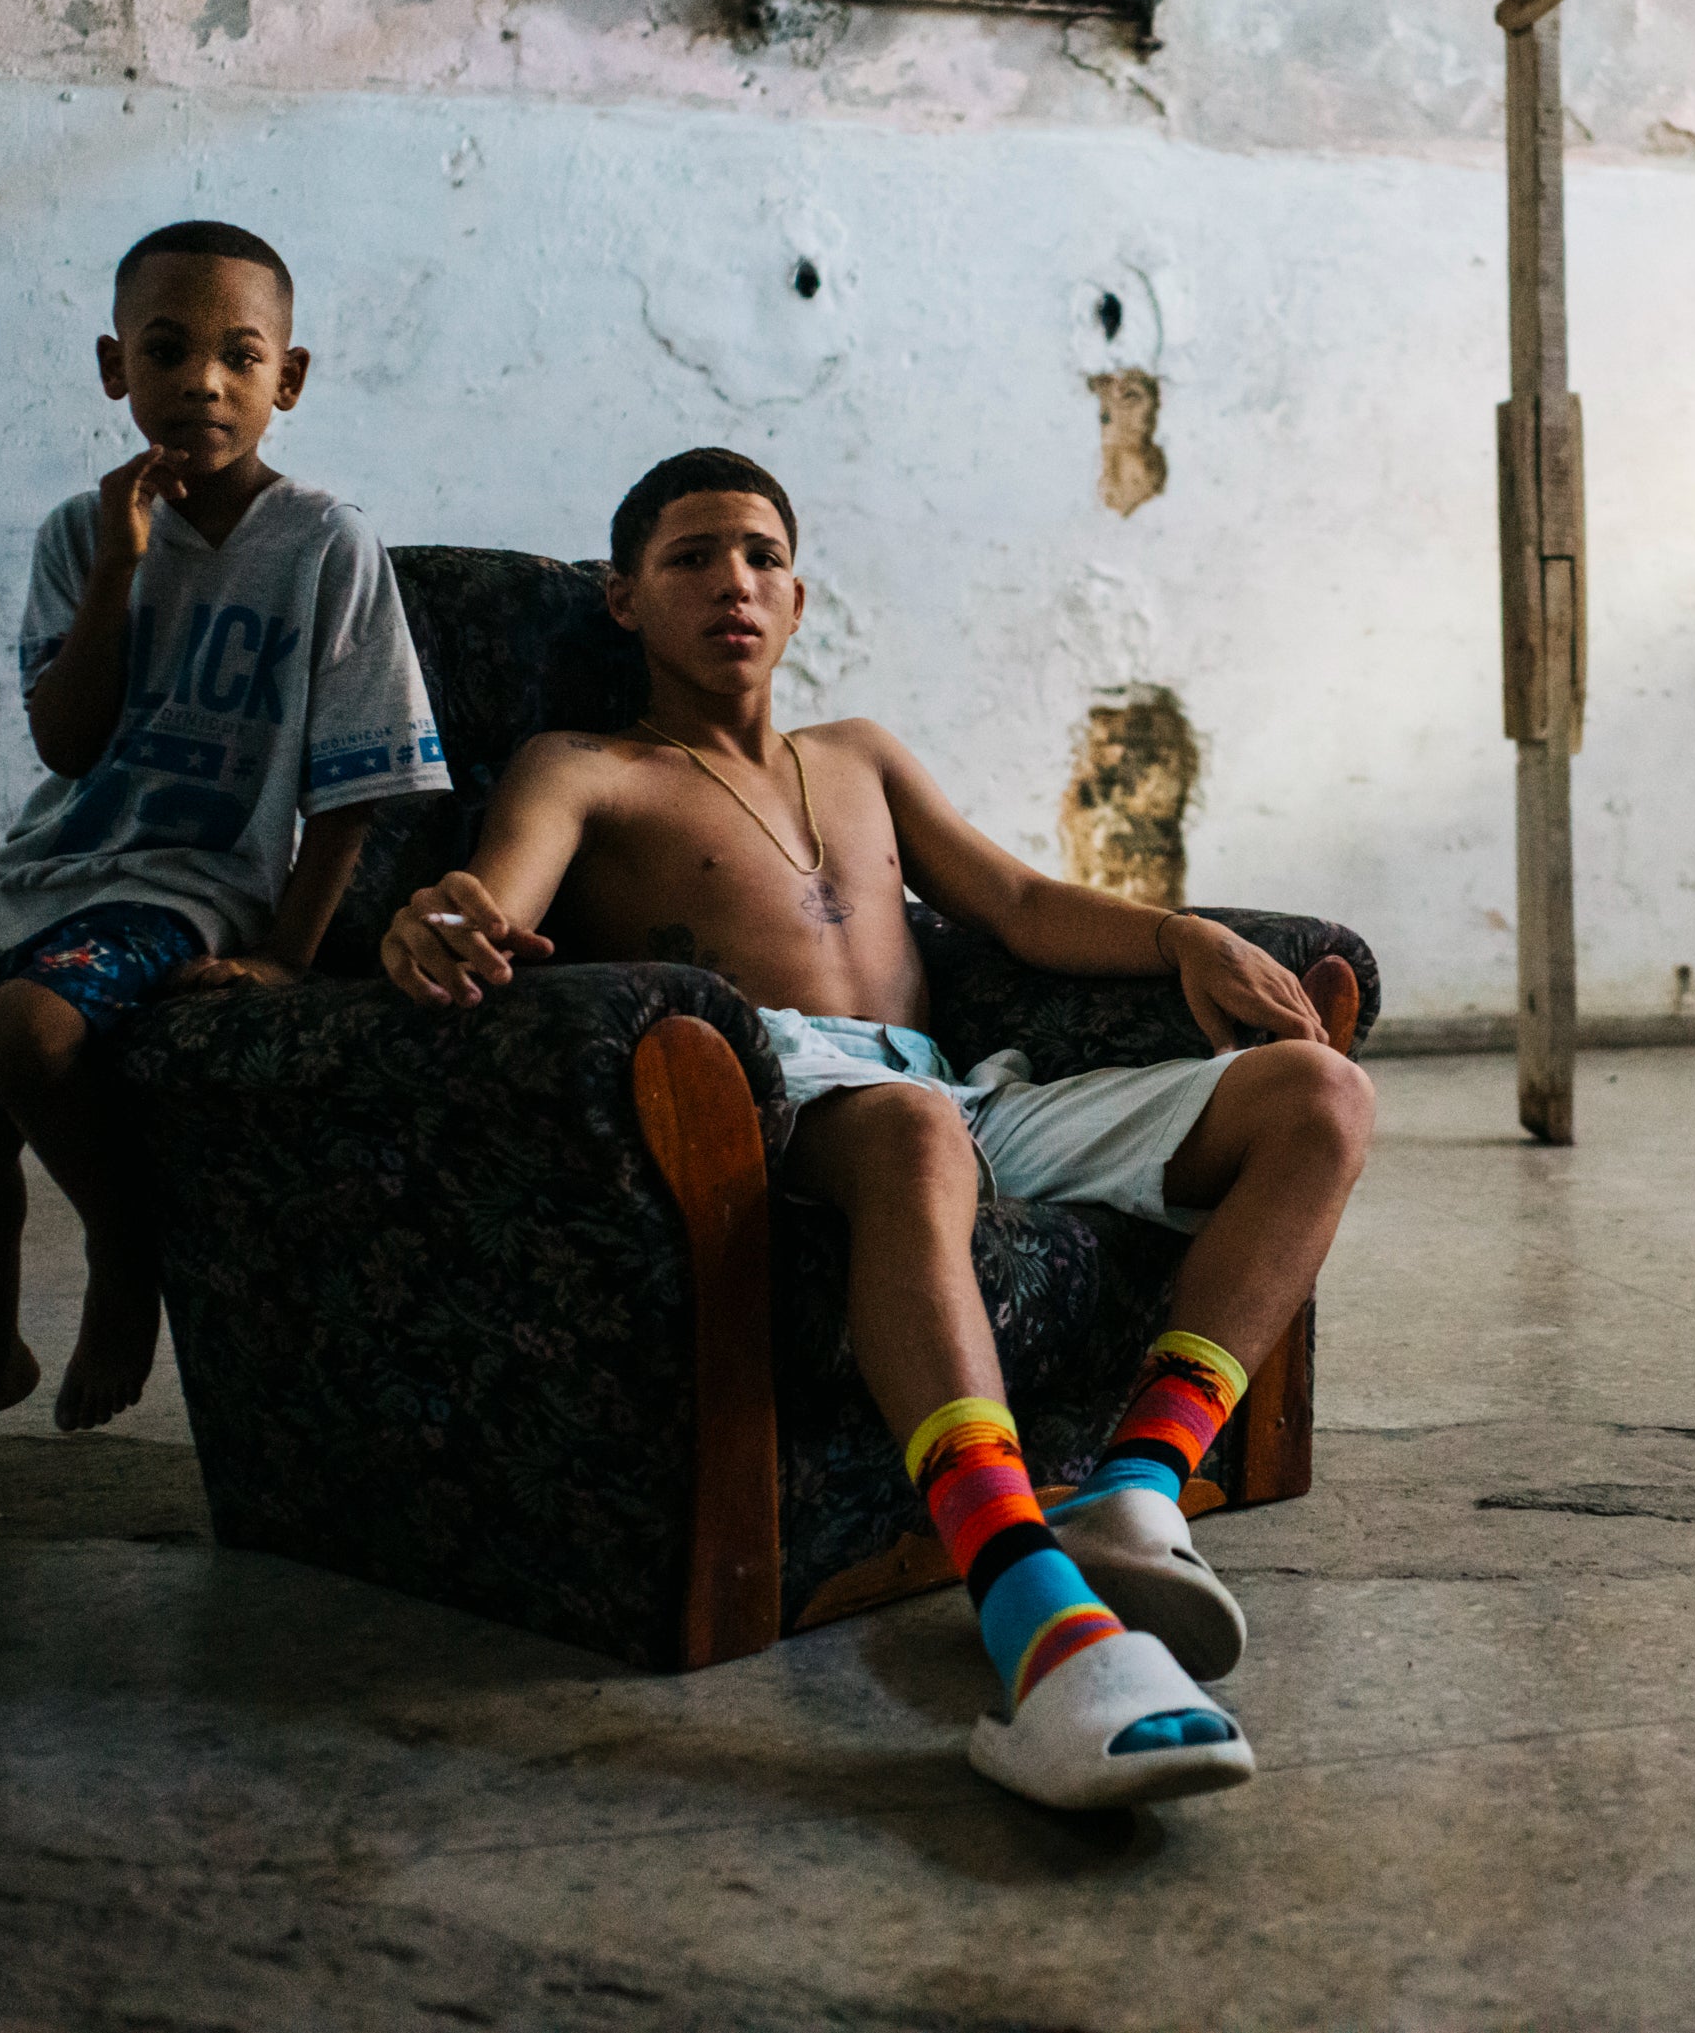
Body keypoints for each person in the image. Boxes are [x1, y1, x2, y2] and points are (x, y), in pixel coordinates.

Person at [378, 449, 1375, 1811]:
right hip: (785, 1102)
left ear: (796, 600)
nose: (733, 581)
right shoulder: (584, 768)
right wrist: (446, 924)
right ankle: (1040, 1620)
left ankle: (1137, 1486)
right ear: (623, 599)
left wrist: (1181, 934)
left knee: (1321, 1095)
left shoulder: (859, 758)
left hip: (969, 1090)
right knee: (913, 1132)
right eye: (689, 558)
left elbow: (1017, 905)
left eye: (761, 556)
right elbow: (493, 900)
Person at [0, 221, 451, 1488]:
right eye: (166, 349)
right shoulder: (74, 535)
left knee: (19, 1037)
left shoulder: (323, 543)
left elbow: (355, 788)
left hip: (192, 885)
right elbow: (68, 741)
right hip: (52, 871)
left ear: (286, 380)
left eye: (239, 356)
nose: (202, 380)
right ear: (113, 366)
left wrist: (284, 958)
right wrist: (119, 571)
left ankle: (128, 1248)